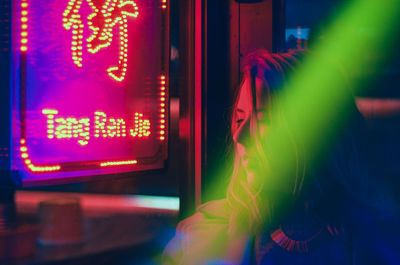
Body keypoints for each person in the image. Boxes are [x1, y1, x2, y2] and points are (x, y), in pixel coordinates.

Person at [163, 49, 399, 265]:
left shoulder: (378, 237)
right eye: (238, 119)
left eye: (263, 120)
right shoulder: (197, 236)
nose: (240, 136)